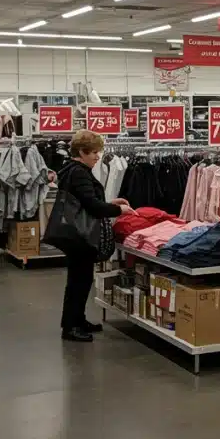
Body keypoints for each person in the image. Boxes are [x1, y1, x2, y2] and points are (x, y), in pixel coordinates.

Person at [54, 130, 132, 342]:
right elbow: (91, 205)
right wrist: (118, 211)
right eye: (94, 152)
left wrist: (111, 203)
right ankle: (71, 327)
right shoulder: (79, 172)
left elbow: (85, 200)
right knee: (79, 281)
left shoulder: (72, 169)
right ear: (81, 152)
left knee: (80, 279)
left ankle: (77, 320)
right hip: (81, 235)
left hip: (75, 233)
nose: (98, 157)